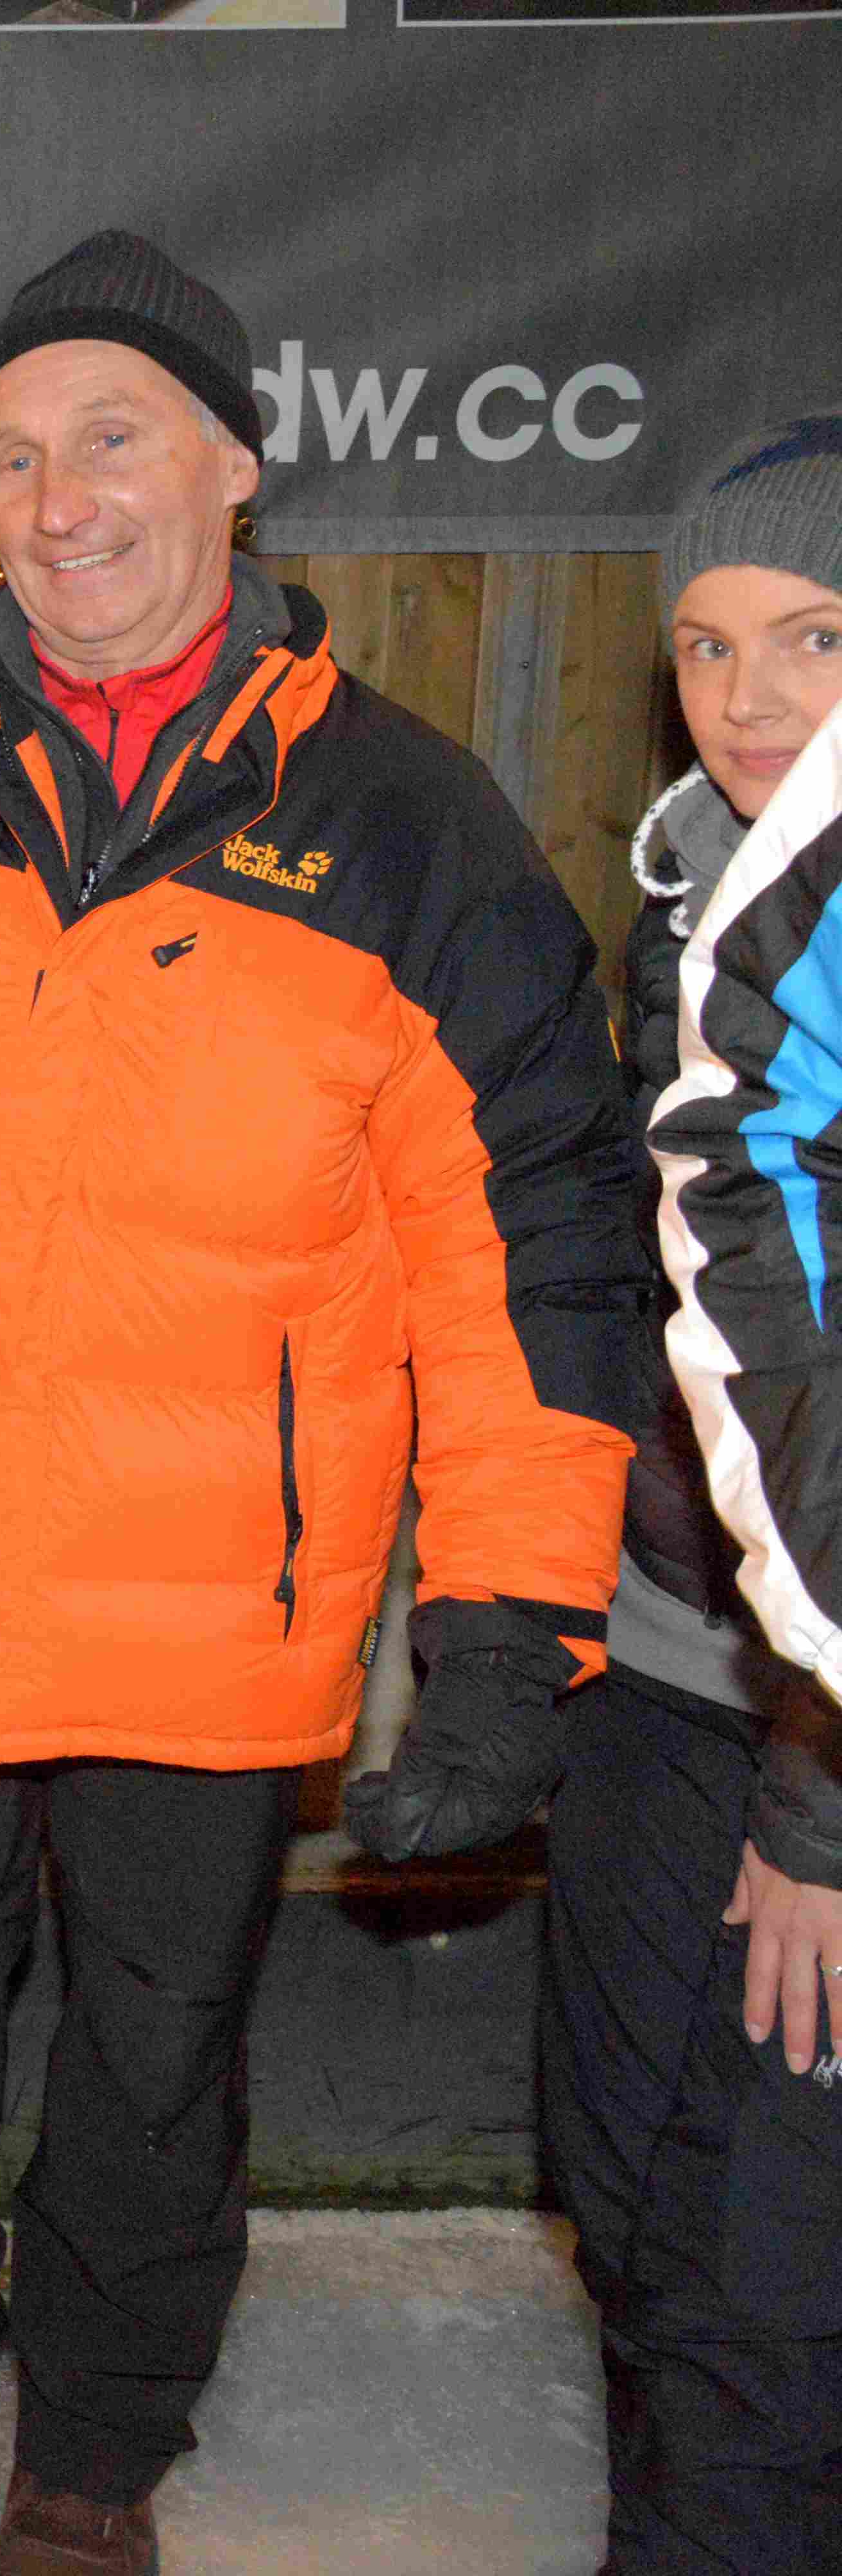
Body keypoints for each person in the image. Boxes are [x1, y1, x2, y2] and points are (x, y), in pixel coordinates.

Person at [0, 231, 650, 2576]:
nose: (59, 502)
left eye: (114, 438)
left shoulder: (410, 833)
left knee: (156, 2061)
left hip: (203, 1621)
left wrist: (510, 1626)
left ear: (238, 466)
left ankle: (92, 2454)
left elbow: (534, 1259)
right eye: (12, 457)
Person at [611, 408, 842, 2570]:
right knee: (636, 2203)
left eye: (812, 636)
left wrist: (820, 1792)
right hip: (669, 1649)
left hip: (809, 1716)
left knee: (760, 2287)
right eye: (704, 641)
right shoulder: (692, 892)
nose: (747, 694)